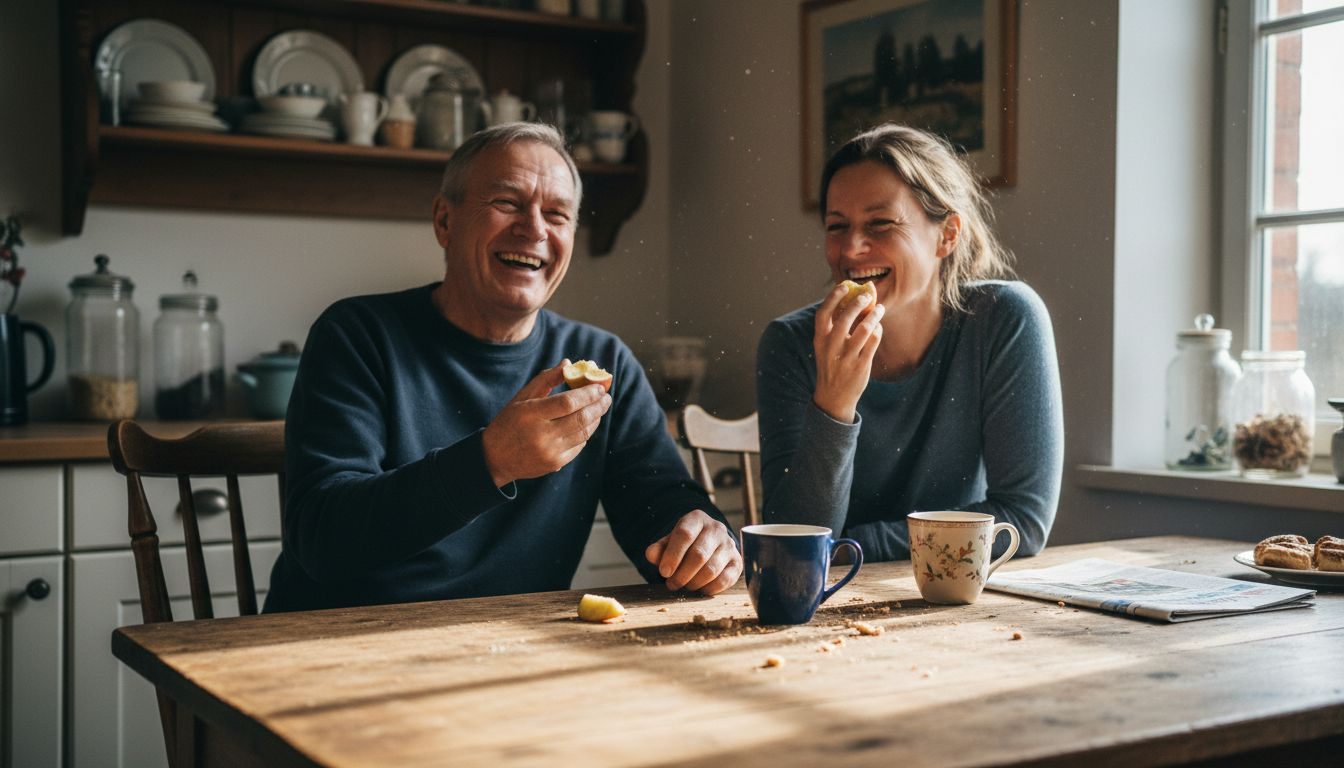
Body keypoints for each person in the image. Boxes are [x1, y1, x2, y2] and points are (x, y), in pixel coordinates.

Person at [265, 123, 741, 612]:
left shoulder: (602, 361)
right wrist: (491, 460)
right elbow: (323, 539)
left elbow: (659, 505)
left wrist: (702, 541)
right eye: (507, 204)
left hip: (508, 645)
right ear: (444, 222)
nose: (534, 228)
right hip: (336, 642)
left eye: (556, 214)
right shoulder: (357, 335)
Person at [755, 123, 1063, 562]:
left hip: (958, 600)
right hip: (833, 605)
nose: (852, 249)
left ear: (948, 235)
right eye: (836, 226)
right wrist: (834, 406)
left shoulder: (1005, 320)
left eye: (880, 224)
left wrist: (856, 546)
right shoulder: (789, 344)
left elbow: (1022, 520)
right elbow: (796, 543)